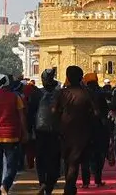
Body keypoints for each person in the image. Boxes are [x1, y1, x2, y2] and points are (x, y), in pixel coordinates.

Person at [54, 66, 95, 195]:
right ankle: (70, 186)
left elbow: (54, 111)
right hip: (82, 131)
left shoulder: (62, 93)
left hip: (65, 130)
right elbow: (96, 112)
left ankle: (70, 186)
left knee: (70, 161)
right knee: (74, 161)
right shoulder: (86, 93)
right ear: (81, 78)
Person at [32, 68, 62, 195]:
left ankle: (42, 181)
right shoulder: (59, 94)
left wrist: (29, 130)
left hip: (40, 130)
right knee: (54, 158)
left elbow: (30, 112)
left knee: (40, 157)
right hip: (55, 131)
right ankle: (49, 184)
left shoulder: (37, 93)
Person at [81, 72, 110, 188]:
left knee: (85, 156)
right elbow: (106, 109)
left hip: (85, 127)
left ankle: (85, 182)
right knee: (99, 154)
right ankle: (98, 179)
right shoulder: (101, 93)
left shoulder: (83, 93)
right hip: (100, 127)